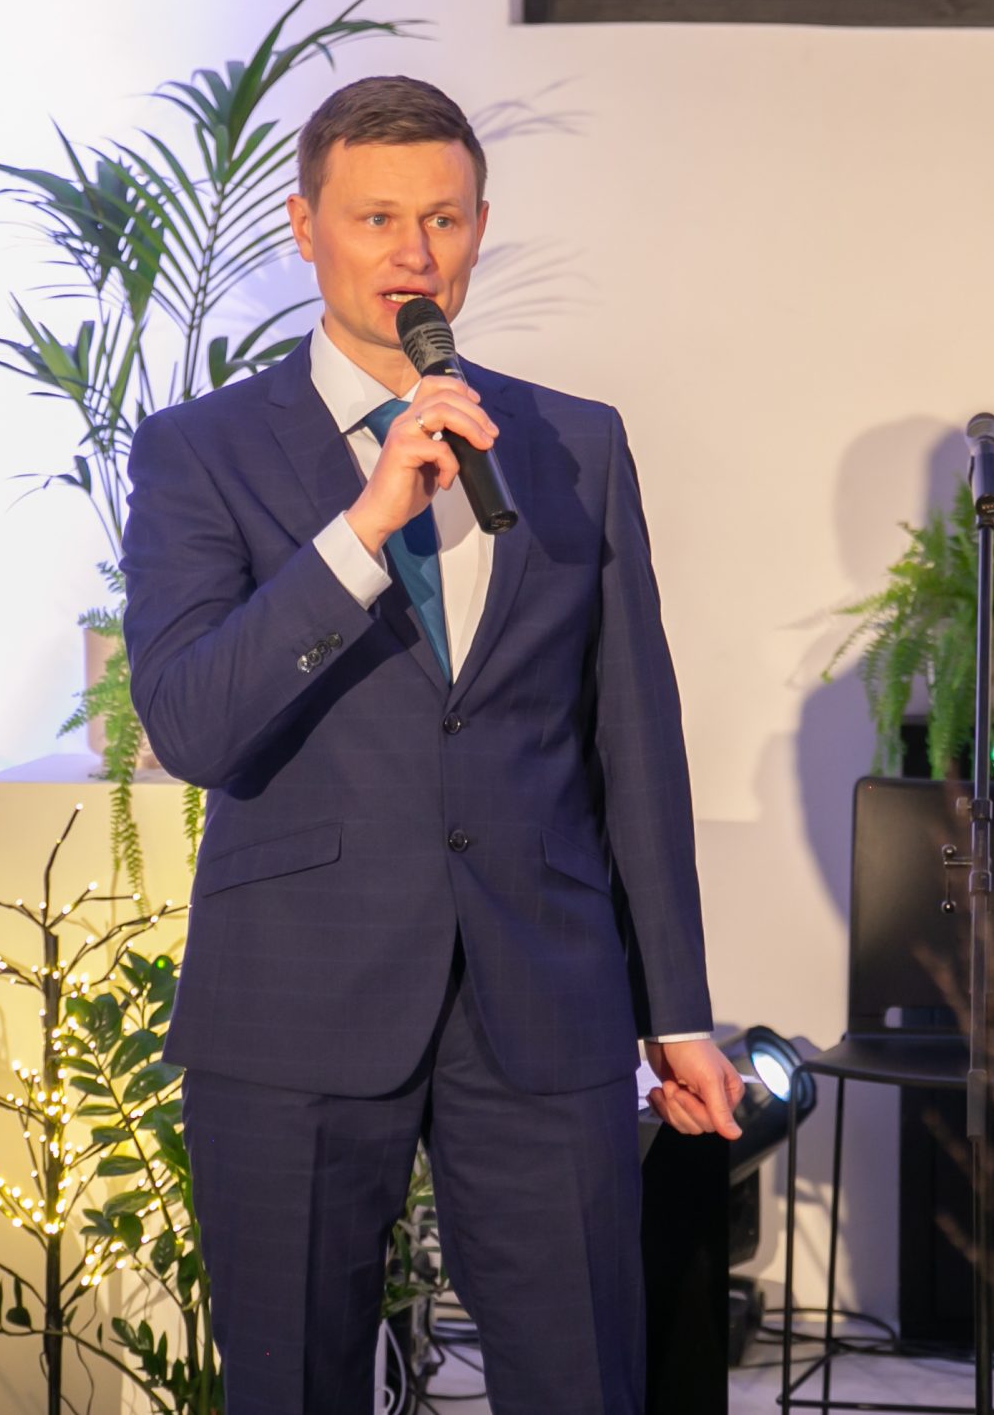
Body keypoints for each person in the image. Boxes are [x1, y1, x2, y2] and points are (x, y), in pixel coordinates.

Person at [122, 74, 744, 1415]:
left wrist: (676, 1007)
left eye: (444, 219)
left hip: (544, 992)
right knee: (292, 1385)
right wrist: (361, 530)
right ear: (305, 227)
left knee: (583, 1378)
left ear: (478, 230)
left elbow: (633, 737)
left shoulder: (573, 442)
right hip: (294, 994)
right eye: (377, 217)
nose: (415, 253)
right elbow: (190, 721)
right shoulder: (199, 452)